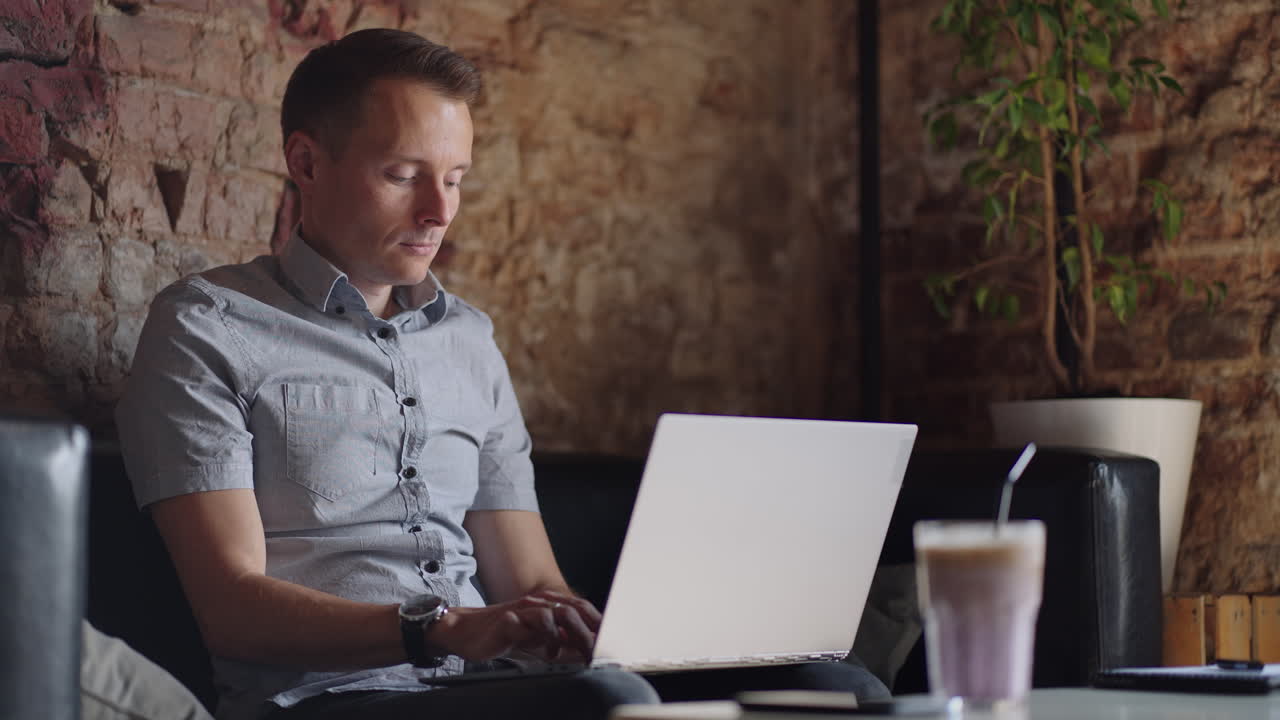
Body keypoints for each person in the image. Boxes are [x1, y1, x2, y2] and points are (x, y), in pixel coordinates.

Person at [116, 29, 888, 720]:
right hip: (328, 698)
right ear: (306, 161)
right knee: (605, 704)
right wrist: (446, 629)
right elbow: (231, 608)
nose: (438, 211)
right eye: (403, 174)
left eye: (455, 178)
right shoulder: (205, 325)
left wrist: (596, 626)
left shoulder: (469, 343)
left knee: (835, 689)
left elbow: (532, 578)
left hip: (487, 688)